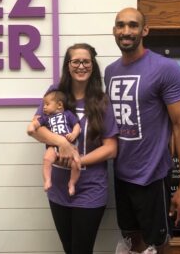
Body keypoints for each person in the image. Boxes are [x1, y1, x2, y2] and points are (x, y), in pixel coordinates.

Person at [104, 7, 180, 254]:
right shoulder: (110, 71)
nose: (126, 31)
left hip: (152, 175)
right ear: (114, 31)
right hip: (121, 174)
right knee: (132, 241)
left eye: (133, 25)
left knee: (159, 244)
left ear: (145, 30)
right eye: (120, 25)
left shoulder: (165, 68)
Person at [28, 43, 118, 254]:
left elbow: (111, 149)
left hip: (91, 189)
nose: (81, 66)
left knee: (81, 250)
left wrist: (77, 160)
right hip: (58, 189)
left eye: (86, 61)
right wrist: (63, 143)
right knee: (69, 249)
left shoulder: (101, 102)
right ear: (68, 66)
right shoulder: (55, 95)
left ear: (93, 66)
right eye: (75, 61)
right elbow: (34, 129)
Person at [27, 89, 81, 196]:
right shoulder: (46, 118)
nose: (44, 107)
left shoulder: (68, 114)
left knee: (76, 164)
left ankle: (72, 183)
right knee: (47, 158)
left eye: (47, 104)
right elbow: (36, 123)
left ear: (59, 105)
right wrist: (31, 127)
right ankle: (47, 180)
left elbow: (77, 125)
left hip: (70, 146)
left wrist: (74, 134)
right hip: (53, 146)